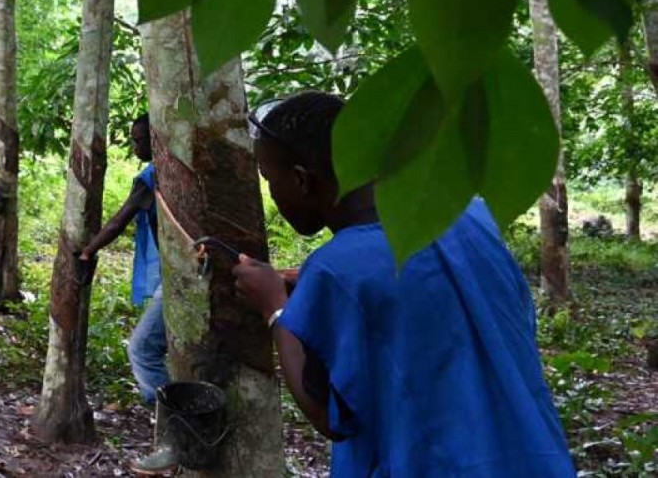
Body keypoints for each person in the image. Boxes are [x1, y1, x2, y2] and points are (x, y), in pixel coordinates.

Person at [233, 92, 573, 477]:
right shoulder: (471, 217)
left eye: (269, 179)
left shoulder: (336, 271)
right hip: (534, 456)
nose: (274, 195)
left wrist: (274, 306)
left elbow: (328, 413)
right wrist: (311, 292)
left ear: (301, 180)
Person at [78, 114, 175, 473]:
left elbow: (119, 220)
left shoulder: (150, 178)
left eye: (138, 139)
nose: (134, 145)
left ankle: (174, 439)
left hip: (180, 281)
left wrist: (89, 250)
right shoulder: (176, 172)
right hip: (184, 275)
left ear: (155, 139)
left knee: (143, 349)